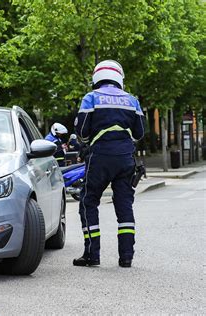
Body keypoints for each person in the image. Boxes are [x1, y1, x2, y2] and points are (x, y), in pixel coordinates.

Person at [73, 60, 145, 268]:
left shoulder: (91, 98)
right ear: (119, 77)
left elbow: (82, 132)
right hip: (125, 158)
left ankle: (92, 255)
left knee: (89, 201)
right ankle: (126, 257)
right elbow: (139, 133)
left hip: (100, 157)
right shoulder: (132, 100)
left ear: (97, 77)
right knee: (124, 206)